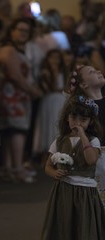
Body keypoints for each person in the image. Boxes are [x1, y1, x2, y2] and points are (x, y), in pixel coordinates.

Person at [41, 95, 105, 240]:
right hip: (64, 189)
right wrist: (54, 173)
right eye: (73, 118)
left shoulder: (93, 140)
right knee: (64, 223)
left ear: (90, 122)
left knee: (83, 223)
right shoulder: (59, 140)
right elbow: (48, 166)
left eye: (83, 120)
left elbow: (91, 160)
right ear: (67, 118)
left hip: (85, 191)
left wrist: (82, 136)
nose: (77, 123)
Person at [0, 17, 42, 183]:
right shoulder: (8, 49)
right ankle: (17, 167)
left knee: (11, 131)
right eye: (20, 30)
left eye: (26, 31)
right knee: (17, 130)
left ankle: (10, 168)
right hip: (12, 96)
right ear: (12, 31)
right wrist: (32, 90)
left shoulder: (17, 49)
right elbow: (15, 75)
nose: (24, 33)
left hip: (17, 96)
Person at [64, 64, 105, 207]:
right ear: (83, 84)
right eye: (92, 72)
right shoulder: (82, 108)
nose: (99, 71)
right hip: (96, 156)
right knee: (99, 199)